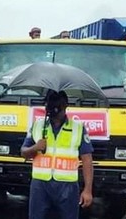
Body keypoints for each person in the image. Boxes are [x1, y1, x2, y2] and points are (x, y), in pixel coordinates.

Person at [21, 90, 93, 219]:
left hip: (67, 187)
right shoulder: (37, 126)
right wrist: (35, 147)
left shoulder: (78, 128)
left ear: (65, 106)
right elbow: (24, 152)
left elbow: (87, 160)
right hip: (40, 186)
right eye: (52, 107)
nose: (55, 113)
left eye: (58, 108)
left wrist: (87, 190)